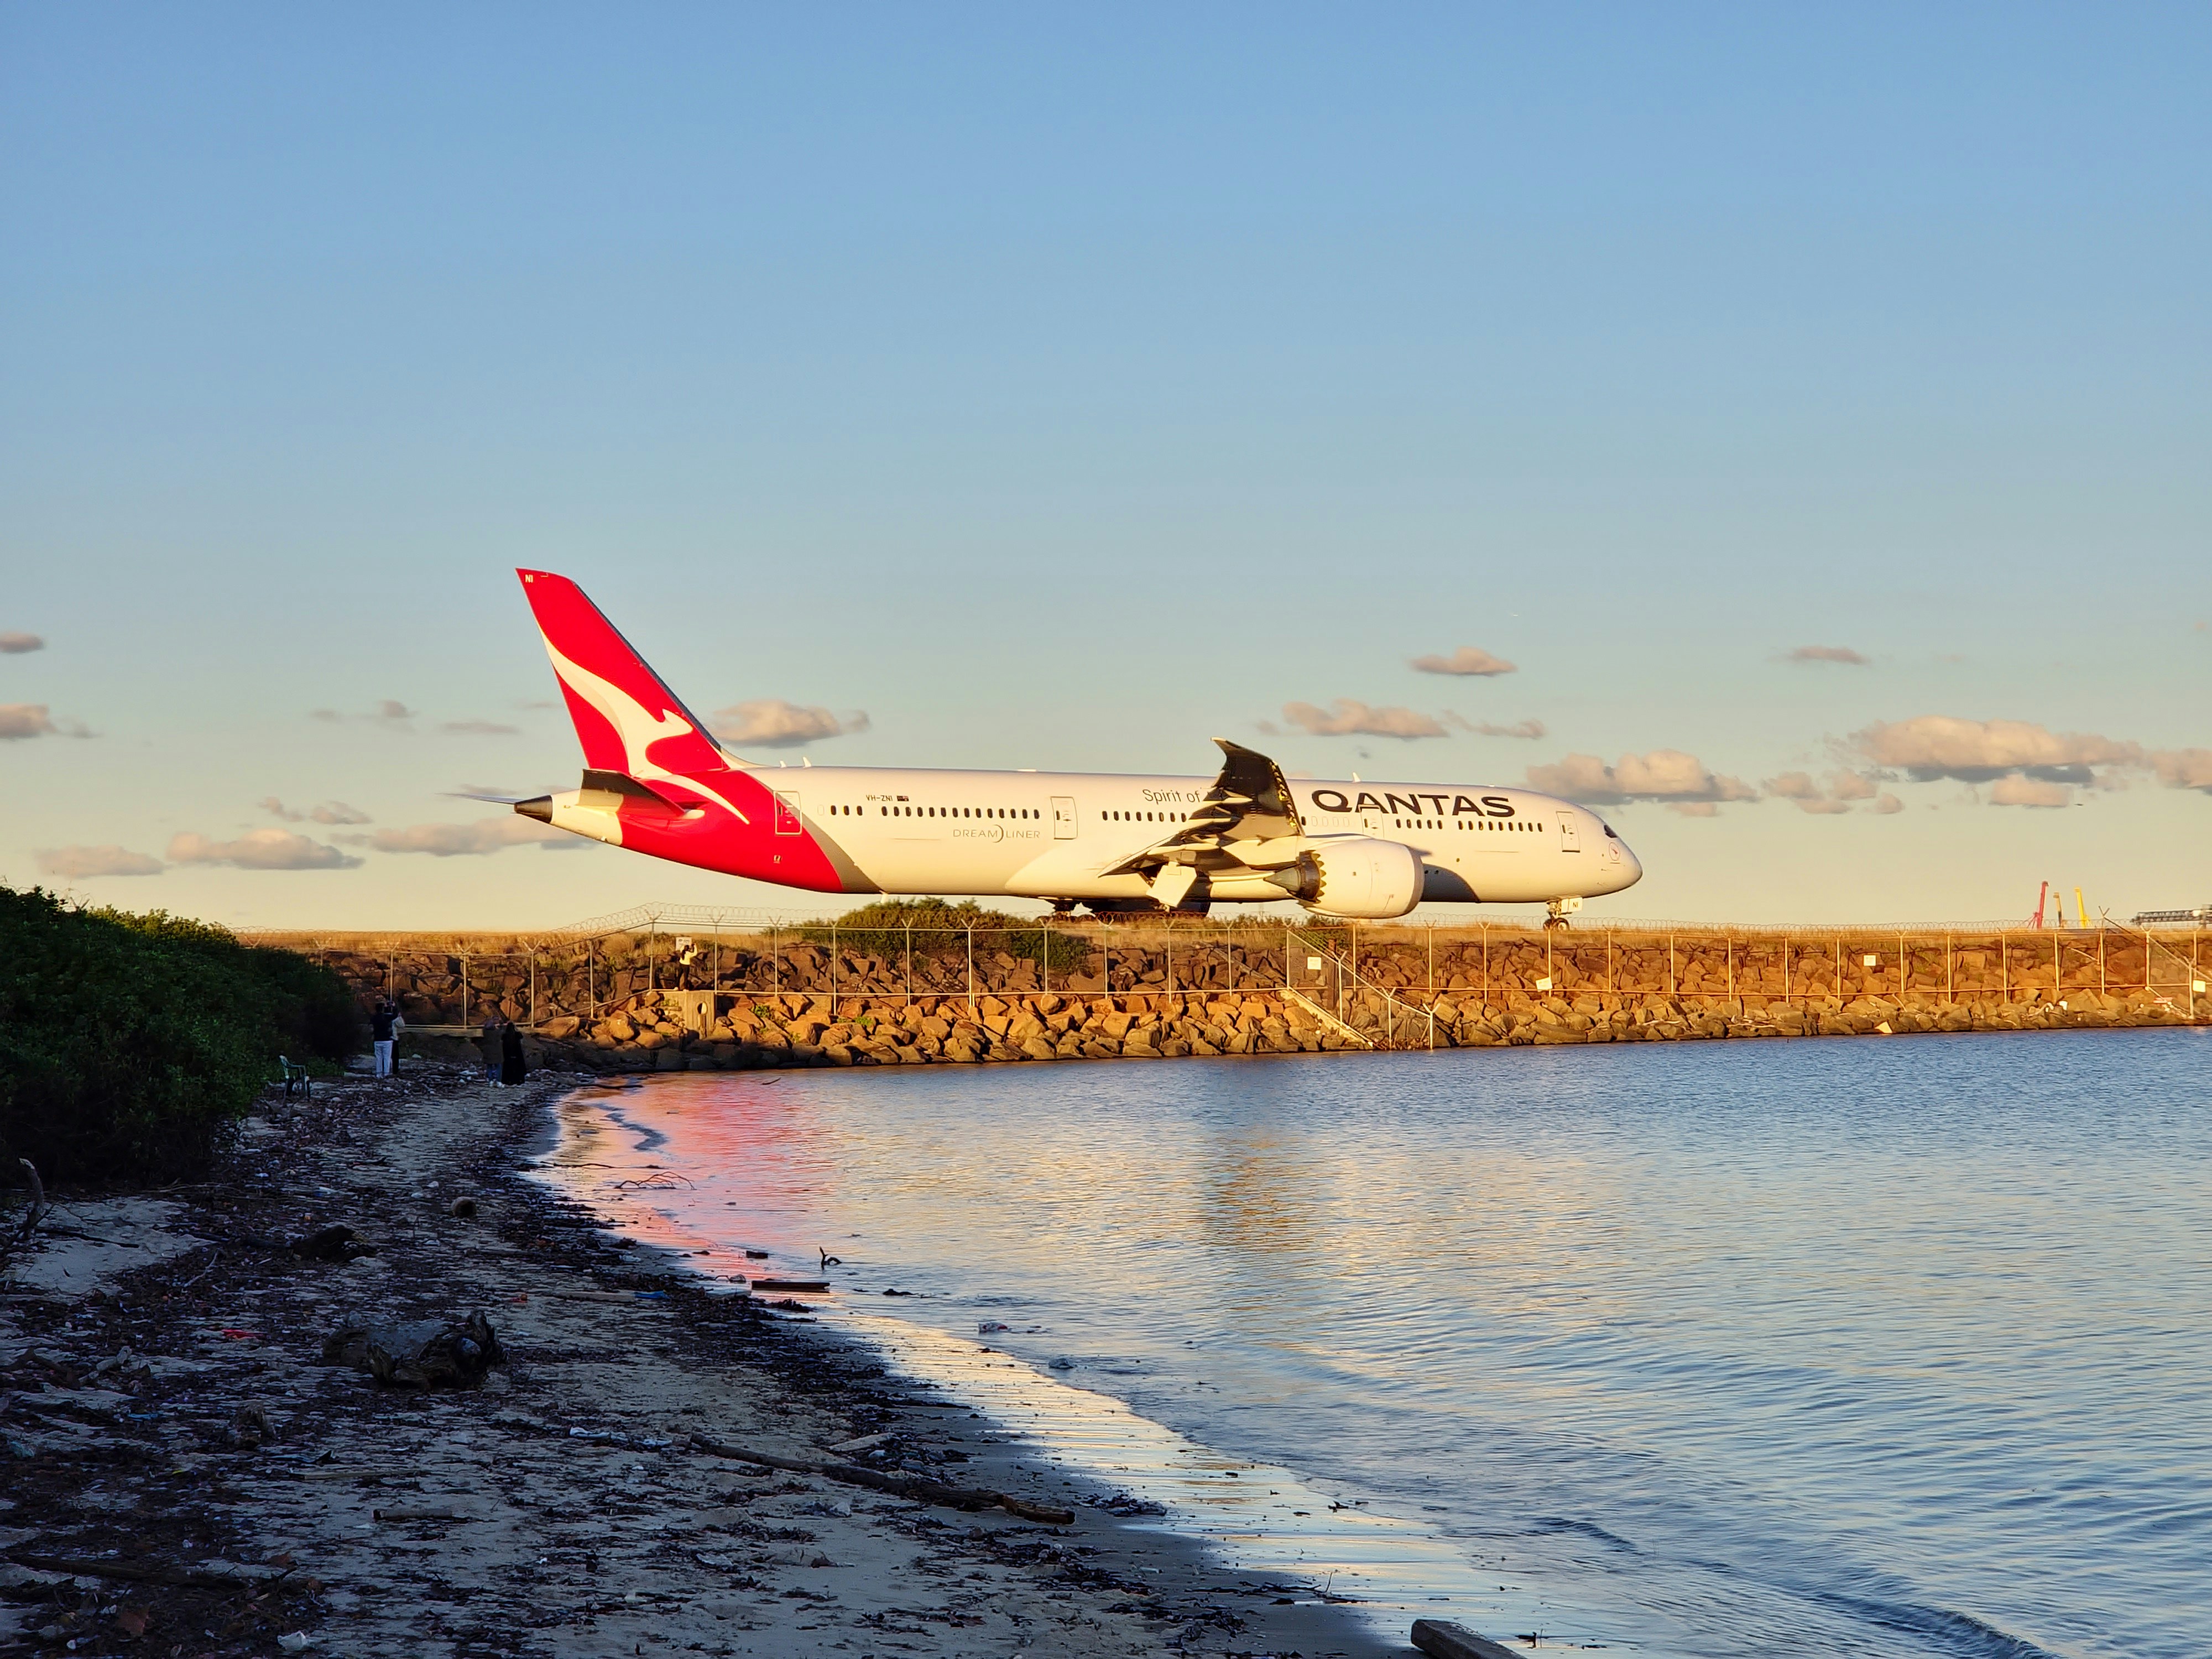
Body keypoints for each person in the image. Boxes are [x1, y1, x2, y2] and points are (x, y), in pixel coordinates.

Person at [371, 999, 398, 1078]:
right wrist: (393, 1007)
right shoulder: (386, 1017)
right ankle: (386, 1073)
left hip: (377, 1040)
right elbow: (395, 1015)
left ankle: (379, 1074)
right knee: (387, 1057)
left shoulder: (374, 1018)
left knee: (379, 1057)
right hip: (387, 1040)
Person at [500, 1018, 528, 1087]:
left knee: (508, 1068)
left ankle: (508, 1081)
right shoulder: (517, 1035)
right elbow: (521, 1036)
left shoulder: (505, 1036)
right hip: (517, 1055)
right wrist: (516, 1028)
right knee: (517, 1068)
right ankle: (518, 1080)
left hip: (507, 1056)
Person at [479, 1016, 504, 1086]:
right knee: (498, 1067)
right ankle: (499, 1081)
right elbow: (502, 1030)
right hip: (497, 1052)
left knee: (489, 1067)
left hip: (488, 1052)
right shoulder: (497, 1032)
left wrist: (488, 1022)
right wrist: (501, 1024)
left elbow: (484, 1028)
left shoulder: (485, 1032)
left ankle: (491, 1081)